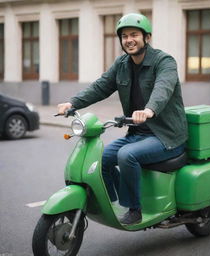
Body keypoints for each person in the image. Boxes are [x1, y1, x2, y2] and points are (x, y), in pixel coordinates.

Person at [57, 13, 188, 225]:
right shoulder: (122, 63)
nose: (129, 40)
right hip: (137, 134)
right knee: (100, 161)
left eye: (134, 34)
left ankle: (134, 210)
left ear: (147, 37)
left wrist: (149, 110)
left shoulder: (164, 61)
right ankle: (115, 201)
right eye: (124, 36)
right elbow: (100, 87)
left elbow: (163, 87)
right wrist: (72, 103)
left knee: (127, 155)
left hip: (166, 137)